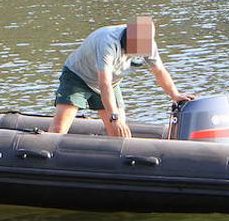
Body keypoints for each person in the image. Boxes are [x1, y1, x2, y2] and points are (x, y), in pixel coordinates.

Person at [48, 17, 196, 139]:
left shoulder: (149, 45)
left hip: (111, 83)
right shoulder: (108, 42)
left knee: (119, 133)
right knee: (60, 128)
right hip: (78, 77)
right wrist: (114, 117)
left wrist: (175, 95)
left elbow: (159, 72)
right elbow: (103, 83)